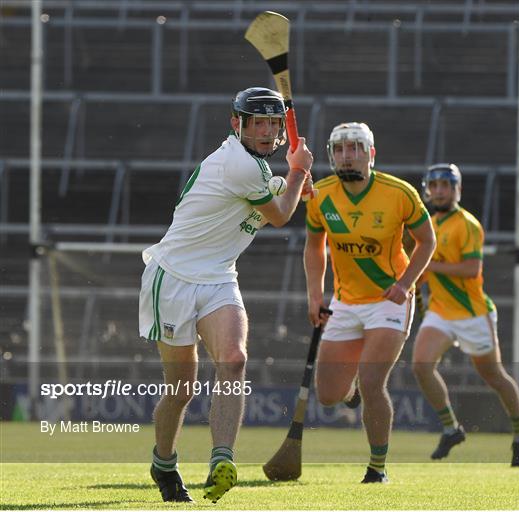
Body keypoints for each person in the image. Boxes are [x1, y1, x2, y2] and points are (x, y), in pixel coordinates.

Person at [139, 87, 314, 503]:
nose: (268, 132)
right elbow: (281, 215)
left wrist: (290, 181)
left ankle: (222, 459)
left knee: (234, 359)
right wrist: (298, 173)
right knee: (182, 389)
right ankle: (163, 463)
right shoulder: (239, 164)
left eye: (274, 123)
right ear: (237, 124)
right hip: (174, 277)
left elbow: (274, 198)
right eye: (259, 123)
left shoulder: (254, 168)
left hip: (219, 278)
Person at [304, 122, 436, 483]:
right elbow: (315, 248)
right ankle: (352, 394)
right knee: (328, 396)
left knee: (373, 379)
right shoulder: (320, 194)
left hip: (388, 301)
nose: (348, 155)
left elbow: (427, 241)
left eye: (355, 148)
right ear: (332, 155)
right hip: (344, 301)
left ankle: (377, 467)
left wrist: (405, 284)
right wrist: (315, 294)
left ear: (370, 154)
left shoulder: (399, 193)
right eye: (341, 149)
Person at [412, 163, 519, 466]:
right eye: (434, 185)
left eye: (445, 185)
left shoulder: (467, 224)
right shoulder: (429, 225)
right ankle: (451, 428)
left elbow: (471, 269)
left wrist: (429, 266)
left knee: (493, 376)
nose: (439, 190)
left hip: (472, 313)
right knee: (421, 366)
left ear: (457, 190)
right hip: (440, 312)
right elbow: (424, 269)